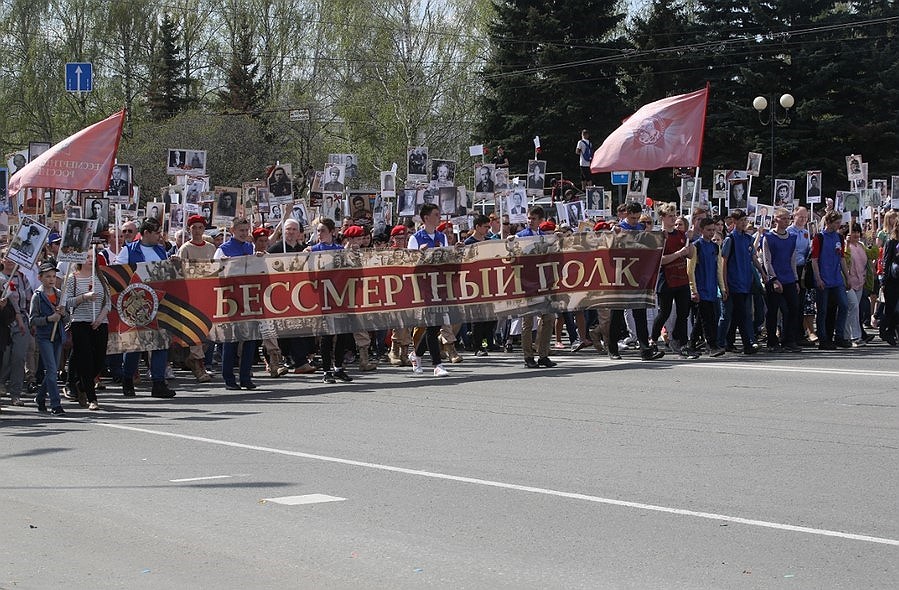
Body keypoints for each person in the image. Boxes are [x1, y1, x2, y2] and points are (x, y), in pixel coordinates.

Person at [115, 217, 177, 398]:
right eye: (156, 232)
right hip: (137, 303)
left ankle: (158, 383)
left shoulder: (160, 250)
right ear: (146, 233)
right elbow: (118, 274)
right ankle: (128, 379)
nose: (160, 236)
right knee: (136, 344)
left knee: (160, 343)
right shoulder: (128, 251)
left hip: (158, 302)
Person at [608, 202, 665, 361]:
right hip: (621, 276)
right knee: (617, 314)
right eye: (632, 218)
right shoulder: (618, 228)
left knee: (640, 314)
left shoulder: (641, 228)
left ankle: (645, 349)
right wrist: (615, 235)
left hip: (637, 277)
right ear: (626, 214)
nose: (635, 220)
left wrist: (659, 238)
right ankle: (612, 349)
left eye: (637, 217)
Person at [406, 203, 451, 377]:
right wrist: (419, 253)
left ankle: (416, 354)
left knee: (434, 326)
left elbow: (446, 258)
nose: (439, 216)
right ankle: (437, 364)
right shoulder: (416, 238)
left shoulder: (441, 236)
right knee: (432, 325)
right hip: (424, 286)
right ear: (426, 218)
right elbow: (409, 263)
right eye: (436, 214)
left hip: (439, 285)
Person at [215, 217, 259, 390]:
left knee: (249, 340)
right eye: (241, 230)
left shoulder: (250, 247)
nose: (245, 233)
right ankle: (229, 378)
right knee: (231, 340)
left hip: (249, 297)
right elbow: (216, 273)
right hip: (231, 298)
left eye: (246, 230)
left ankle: (245, 376)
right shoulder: (222, 250)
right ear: (232, 230)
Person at [309, 219, 355, 383]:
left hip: (340, 296)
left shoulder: (340, 250)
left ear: (332, 232)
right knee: (327, 336)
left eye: (322, 230)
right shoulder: (314, 250)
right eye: (318, 231)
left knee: (341, 334)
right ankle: (326, 370)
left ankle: (339, 368)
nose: (319, 234)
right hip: (323, 297)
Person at [64, 253, 110, 411]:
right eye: (87, 257)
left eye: (93, 257)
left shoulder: (101, 277)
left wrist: (99, 319)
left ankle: (82, 385)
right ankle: (92, 398)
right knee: (85, 360)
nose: (91, 259)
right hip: (80, 323)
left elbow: (108, 302)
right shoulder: (73, 278)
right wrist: (84, 297)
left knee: (100, 359)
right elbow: (67, 301)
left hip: (99, 322)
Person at [651, 203, 696, 358]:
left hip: (682, 278)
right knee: (664, 312)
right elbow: (661, 260)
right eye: (670, 216)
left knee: (683, 313)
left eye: (674, 215)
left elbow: (689, 255)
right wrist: (678, 253)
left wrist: (690, 241)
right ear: (662, 217)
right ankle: (653, 340)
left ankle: (682, 343)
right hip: (666, 280)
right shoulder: (659, 236)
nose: (673, 218)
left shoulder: (680, 234)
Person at [514, 206, 557, 368]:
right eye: (529, 218)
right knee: (528, 321)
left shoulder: (543, 236)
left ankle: (543, 354)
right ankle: (528, 357)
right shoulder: (521, 236)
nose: (530, 221)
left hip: (544, 284)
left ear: (540, 221)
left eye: (534, 219)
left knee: (549, 318)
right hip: (527, 284)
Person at [30, 262, 69, 414]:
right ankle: (56, 404)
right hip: (45, 337)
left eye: (53, 276)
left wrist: (63, 313)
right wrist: (48, 319)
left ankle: (40, 397)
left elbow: (67, 318)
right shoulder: (37, 297)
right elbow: (32, 320)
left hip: (58, 336)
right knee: (52, 370)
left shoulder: (60, 294)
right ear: (40, 278)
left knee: (52, 371)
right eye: (47, 276)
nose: (51, 279)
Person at [761, 208, 801, 352]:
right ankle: (772, 341)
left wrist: (796, 280)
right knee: (773, 310)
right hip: (775, 279)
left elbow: (792, 260)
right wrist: (773, 279)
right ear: (776, 219)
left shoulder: (791, 238)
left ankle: (789, 340)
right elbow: (767, 260)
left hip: (788, 277)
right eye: (783, 218)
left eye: (787, 218)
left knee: (793, 308)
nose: (786, 221)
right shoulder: (768, 237)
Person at [810, 211, 851, 349]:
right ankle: (823, 338)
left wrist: (847, 276)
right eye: (836, 223)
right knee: (822, 310)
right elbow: (814, 260)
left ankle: (839, 335)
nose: (839, 225)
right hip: (823, 278)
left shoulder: (839, 238)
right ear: (829, 223)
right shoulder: (819, 237)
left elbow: (842, 258)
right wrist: (818, 278)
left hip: (836, 278)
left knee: (844, 305)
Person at [688, 218, 727, 357]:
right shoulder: (696, 246)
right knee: (707, 319)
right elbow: (690, 270)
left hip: (711, 288)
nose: (711, 233)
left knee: (702, 319)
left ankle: (691, 344)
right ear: (701, 230)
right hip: (701, 288)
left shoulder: (715, 247)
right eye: (708, 230)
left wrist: (722, 288)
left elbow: (718, 269)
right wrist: (694, 290)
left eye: (713, 230)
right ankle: (712, 345)